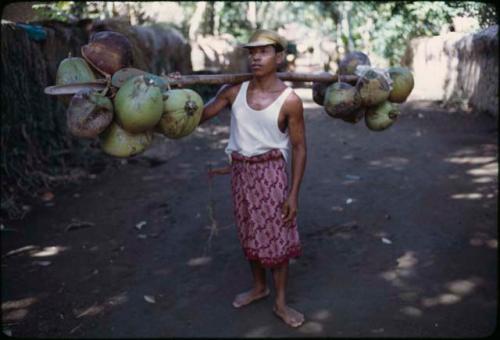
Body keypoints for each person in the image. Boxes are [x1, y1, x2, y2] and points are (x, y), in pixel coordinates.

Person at [174, 29, 307, 328]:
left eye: (264, 51)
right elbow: (199, 116)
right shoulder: (234, 91)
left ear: (279, 56)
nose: (256, 57)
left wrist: (293, 194)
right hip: (241, 172)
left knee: (277, 237)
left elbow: (299, 148)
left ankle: (281, 302)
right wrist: (177, 90)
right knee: (248, 230)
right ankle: (259, 287)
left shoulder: (290, 101)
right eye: (252, 52)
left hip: (270, 173)